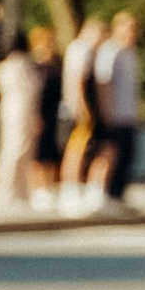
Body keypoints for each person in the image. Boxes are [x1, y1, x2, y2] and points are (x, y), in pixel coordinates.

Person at [0, 24, 46, 210]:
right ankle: (13, 191)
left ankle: (16, 190)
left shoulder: (3, 65)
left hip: (8, 108)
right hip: (23, 109)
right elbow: (31, 89)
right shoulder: (21, 64)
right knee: (20, 150)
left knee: (11, 149)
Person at [58, 16, 107, 214]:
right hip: (80, 109)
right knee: (76, 151)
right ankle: (70, 192)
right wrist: (82, 108)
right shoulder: (82, 49)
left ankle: (72, 191)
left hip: (75, 107)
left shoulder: (77, 49)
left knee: (78, 150)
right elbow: (77, 81)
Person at [93, 11, 142, 204]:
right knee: (110, 154)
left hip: (128, 113)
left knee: (127, 156)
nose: (132, 33)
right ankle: (104, 193)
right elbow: (103, 83)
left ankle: (119, 196)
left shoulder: (131, 53)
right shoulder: (110, 51)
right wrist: (106, 112)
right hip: (114, 113)